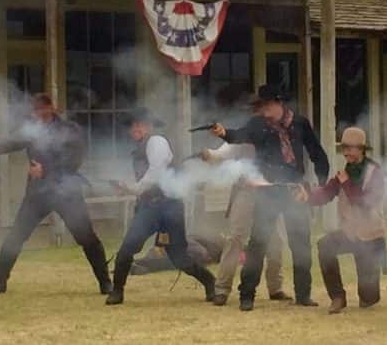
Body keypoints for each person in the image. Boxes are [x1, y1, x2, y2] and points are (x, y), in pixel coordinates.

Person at [210, 84, 329, 311]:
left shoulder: (300, 123)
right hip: (269, 190)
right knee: (258, 244)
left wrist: (319, 186)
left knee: (301, 244)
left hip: (295, 190)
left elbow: (317, 154)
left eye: (266, 104)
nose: (262, 108)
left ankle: (303, 294)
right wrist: (224, 132)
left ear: (278, 103)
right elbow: (238, 135)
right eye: (261, 104)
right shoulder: (257, 125)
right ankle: (247, 295)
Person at [0, 93, 111, 295]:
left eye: (43, 108)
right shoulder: (31, 130)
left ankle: (105, 282)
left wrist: (46, 170)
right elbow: (13, 142)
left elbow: (75, 161)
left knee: (87, 238)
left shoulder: (70, 130)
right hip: (38, 193)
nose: (39, 113)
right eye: (36, 109)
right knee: (16, 236)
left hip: (66, 191)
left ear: (51, 108)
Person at [106, 107, 217, 306]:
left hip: (168, 207)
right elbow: (147, 178)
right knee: (127, 249)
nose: (136, 128)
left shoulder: (156, 141)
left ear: (149, 126)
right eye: (133, 125)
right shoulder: (141, 148)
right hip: (150, 207)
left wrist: (134, 188)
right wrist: (128, 188)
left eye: (140, 124)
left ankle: (210, 282)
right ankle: (117, 291)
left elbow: (155, 172)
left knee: (179, 257)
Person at [296, 126, 386, 314]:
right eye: (344, 148)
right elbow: (327, 193)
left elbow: (364, 203)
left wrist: (346, 182)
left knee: (368, 299)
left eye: (350, 148)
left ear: (361, 149)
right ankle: (338, 297)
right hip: (350, 232)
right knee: (325, 246)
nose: (346, 153)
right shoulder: (344, 173)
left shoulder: (375, 173)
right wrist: (308, 197)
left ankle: (367, 294)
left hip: (370, 237)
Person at [198, 139, 291, 306]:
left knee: (276, 240)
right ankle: (221, 290)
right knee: (235, 237)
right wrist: (210, 154)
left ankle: (275, 287)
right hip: (245, 190)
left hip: (271, 191)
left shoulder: (276, 132)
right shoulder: (243, 135)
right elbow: (223, 152)